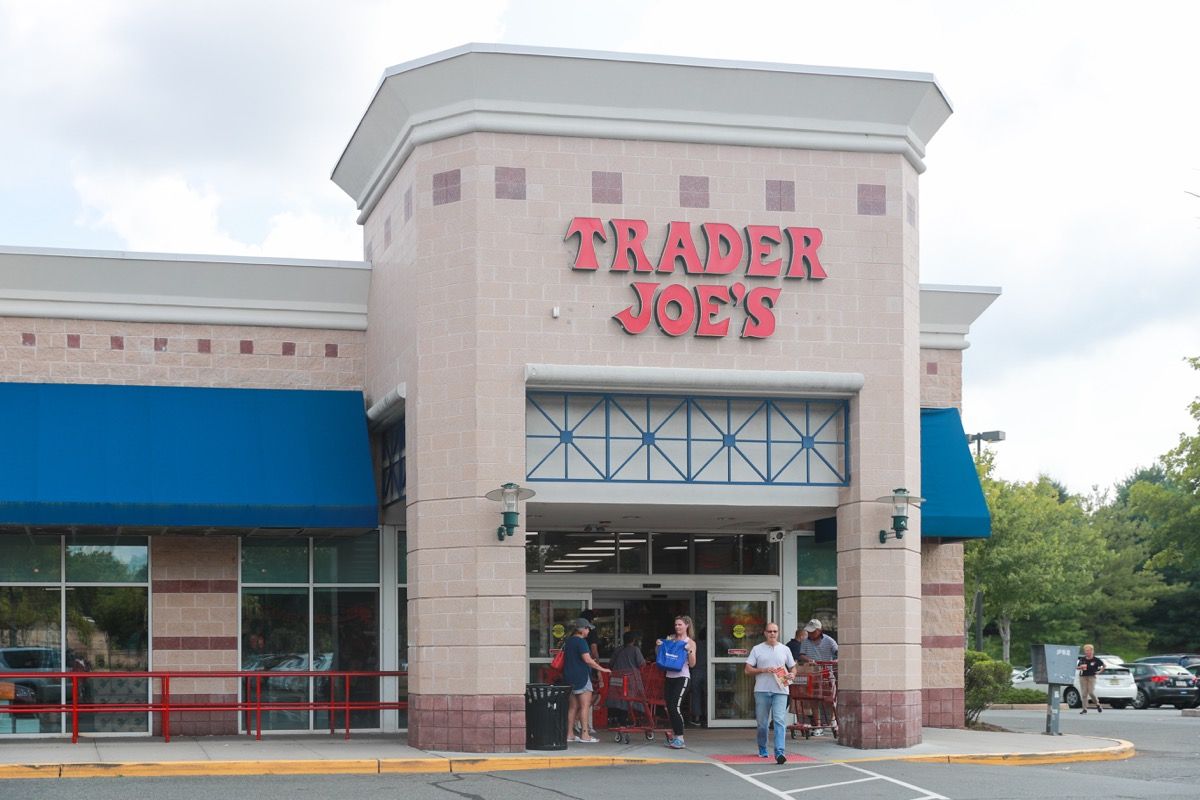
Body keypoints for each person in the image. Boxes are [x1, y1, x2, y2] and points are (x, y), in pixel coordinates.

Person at [744, 622, 796, 764]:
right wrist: (763, 670)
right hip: (762, 690)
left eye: (775, 631)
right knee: (762, 723)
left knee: (779, 721)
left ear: (778, 633)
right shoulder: (757, 649)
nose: (772, 634)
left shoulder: (785, 649)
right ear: (765, 633)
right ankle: (762, 748)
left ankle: (780, 753)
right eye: (769, 631)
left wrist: (792, 674)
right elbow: (747, 669)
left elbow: (793, 667)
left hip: (781, 690)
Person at [564, 617, 610, 743]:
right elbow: (588, 660)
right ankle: (585, 735)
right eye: (588, 628)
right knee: (585, 706)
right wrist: (602, 669)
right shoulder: (581, 642)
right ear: (582, 629)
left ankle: (570, 734)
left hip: (569, 678)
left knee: (573, 707)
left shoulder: (569, 642)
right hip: (582, 677)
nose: (589, 631)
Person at [656, 615, 697, 750]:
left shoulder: (689, 642)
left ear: (687, 626)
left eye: (680, 624)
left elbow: (692, 664)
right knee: (669, 707)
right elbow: (662, 655)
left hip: (682, 677)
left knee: (675, 707)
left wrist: (689, 651)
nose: (677, 627)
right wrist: (659, 646)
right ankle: (675, 736)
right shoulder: (670, 639)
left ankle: (680, 738)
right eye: (676, 625)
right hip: (669, 677)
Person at [796, 619, 837, 735]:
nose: (810, 634)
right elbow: (802, 654)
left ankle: (833, 720)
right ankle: (818, 724)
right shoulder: (805, 641)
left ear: (819, 631)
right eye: (809, 632)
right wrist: (809, 660)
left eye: (813, 632)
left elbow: (838, 651)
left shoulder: (829, 641)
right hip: (813, 673)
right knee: (814, 700)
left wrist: (835, 660)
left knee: (831, 698)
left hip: (826, 672)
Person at [606, 630, 646, 727]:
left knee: (619, 699)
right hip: (631, 679)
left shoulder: (617, 650)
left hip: (617, 678)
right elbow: (642, 663)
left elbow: (611, 663)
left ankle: (620, 720)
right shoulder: (635, 650)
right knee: (630, 699)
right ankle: (628, 720)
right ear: (633, 640)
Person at [1076, 643, 1105, 714]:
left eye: (1088, 650)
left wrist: (1099, 672)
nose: (1087, 652)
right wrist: (1080, 667)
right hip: (1083, 676)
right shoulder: (1082, 659)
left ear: (1092, 651)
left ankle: (1097, 704)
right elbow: (1077, 667)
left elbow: (1104, 666)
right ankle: (1084, 709)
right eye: (1085, 651)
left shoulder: (1096, 660)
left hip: (1092, 677)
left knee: (1091, 692)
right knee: (1084, 693)